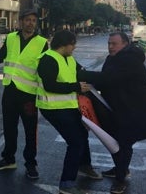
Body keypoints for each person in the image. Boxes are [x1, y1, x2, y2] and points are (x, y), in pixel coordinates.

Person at [78, 32, 146, 194]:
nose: (110, 47)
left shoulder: (129, 59)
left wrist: (80, 74)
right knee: (119, 140)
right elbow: (106, 82)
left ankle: (120, 179)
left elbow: (107, 79)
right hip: (122, 107)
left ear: (125, 44)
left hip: (136, 109)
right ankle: (120, 169)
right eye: (109, 43)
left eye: (114, 44)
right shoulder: (114, 58)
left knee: (124, 142)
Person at [0, 9, 48, 179]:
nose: (30, 23)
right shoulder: (12, 38)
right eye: (27, 20)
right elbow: (1, 56)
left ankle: (30, 164)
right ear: (21, 22)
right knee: (9, 128)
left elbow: (45, 67)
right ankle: (9, 159)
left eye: (33, 20)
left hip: (29, 94)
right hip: (10, 90)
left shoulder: (42, 42)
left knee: (30, 131)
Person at [36, 30, 102, 194]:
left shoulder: (69, 58)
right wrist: (76, 87)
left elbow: (82, 73)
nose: (75, 47)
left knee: (82, 135)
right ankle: (66, 184)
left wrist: (108, 78)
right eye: (73, 44)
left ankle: (84, 166)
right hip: (52, 108)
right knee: (76, 141)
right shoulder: (47, 59)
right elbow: (50, 86)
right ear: (64, 45)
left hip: (69, 106)